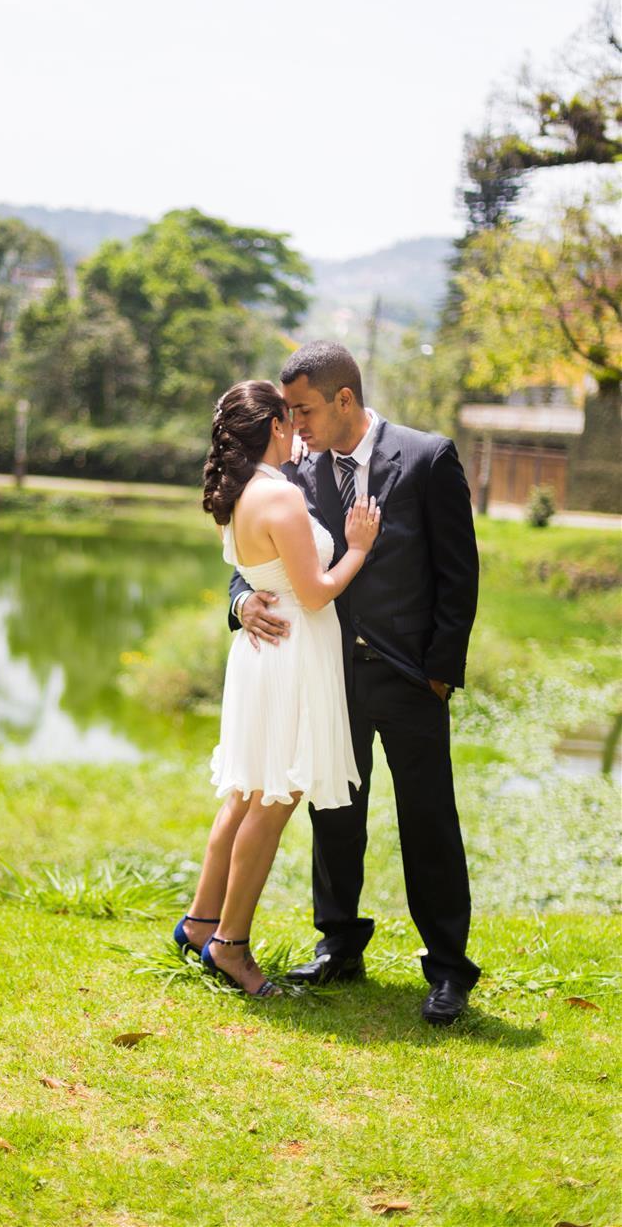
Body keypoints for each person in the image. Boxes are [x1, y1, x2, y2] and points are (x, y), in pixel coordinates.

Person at [230, 341, 480, 1025]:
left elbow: (459, 575)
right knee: (333, 812)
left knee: (428, 818)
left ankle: (449, 970)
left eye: (304, 409)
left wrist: (438, 674)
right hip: (324, 677)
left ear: (345, 399)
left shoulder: (427, 458)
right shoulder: (294, 472)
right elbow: (254, 562)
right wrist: (239, 605)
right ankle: (339, 942)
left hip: (409, 679)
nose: (295, 424)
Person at [175, 379, 380, 997]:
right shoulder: (281, 497)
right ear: (271, 428)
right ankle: (230, 945)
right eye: (289, 420)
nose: (297, 429)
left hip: (264, 655)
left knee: (243, 793)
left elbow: (259, 574)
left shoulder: (237, 495)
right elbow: (315, 592)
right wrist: (359, 549)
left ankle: (200, 921)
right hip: (290, 657)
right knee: (273, 800)